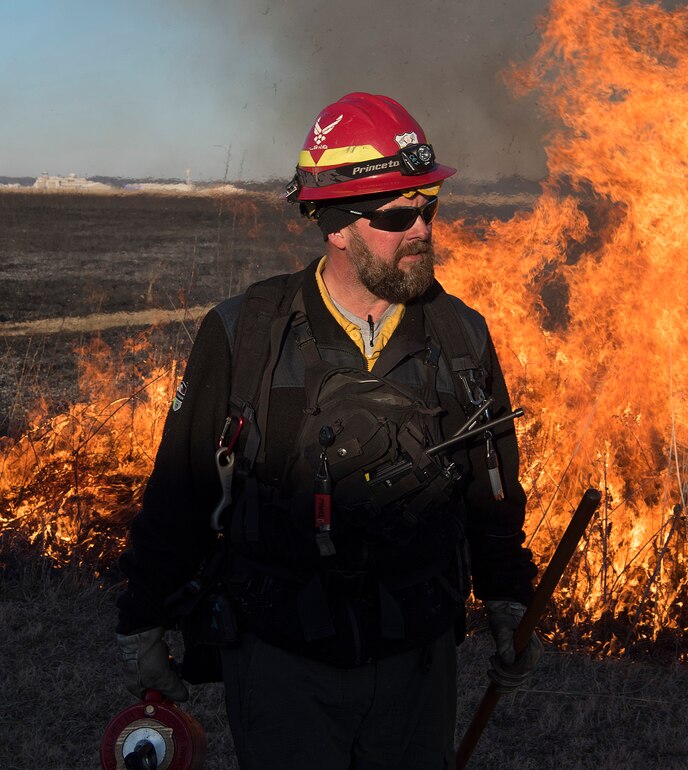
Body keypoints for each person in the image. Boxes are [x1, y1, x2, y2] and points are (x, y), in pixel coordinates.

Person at [114, 92, 541, 769]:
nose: (423, 230)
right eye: (399, 214)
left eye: (428, 206)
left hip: (417, 664)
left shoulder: (461, 336)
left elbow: (491, 486)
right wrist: (142, 615)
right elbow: (182, 492)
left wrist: (510, 596)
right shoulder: (245, 334)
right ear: (336, 226)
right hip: (283, 663)